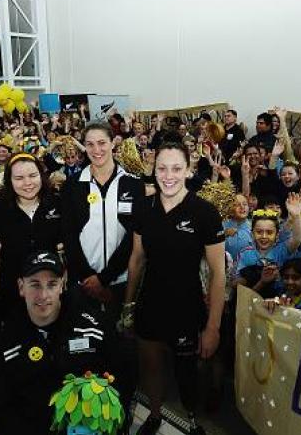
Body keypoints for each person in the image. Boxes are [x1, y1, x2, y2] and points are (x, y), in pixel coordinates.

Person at [125, 142, 226, 435]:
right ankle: (154, 416)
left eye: (176, 168)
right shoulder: (144, 207)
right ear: (153, 170)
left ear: (188, 170)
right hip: (150, 305)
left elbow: (219, 274)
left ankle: (192, 420)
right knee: (151, 367)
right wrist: (128, 306)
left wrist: (213, 327)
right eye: (162, 168)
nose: (169, 175)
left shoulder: (204, 212)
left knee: (187, 374)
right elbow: (137, 259)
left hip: (187, 308)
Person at [0, 251, 121, 434]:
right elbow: (1, 409)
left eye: (51, 284)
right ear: (21, 287)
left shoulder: (95, 328)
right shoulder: (6, 343)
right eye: (35, 285)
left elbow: (118, 382)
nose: (44, 295)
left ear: (62, 284)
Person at [61, 122, 145, 315]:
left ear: (113, 143)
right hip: (83, 282)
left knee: (120, 341)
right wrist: (88, 277)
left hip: (121, 281)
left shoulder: (133, 185)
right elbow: (68, 235)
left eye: (102, 143)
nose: (96, 150)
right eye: (90, 144)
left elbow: (133, 237)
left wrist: (105, 278)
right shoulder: (72, 186)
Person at [0, 153, 62, 321]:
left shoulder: (56, 203)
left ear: (41, 176)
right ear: (9, 180)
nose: (27, 183)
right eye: (19, 178)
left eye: (33, 176)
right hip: (12, 286)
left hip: (49, 286)